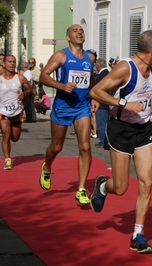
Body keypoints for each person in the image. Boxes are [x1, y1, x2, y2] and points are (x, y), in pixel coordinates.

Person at [89, 29, 152, 254]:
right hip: (121, 130)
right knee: (121, 186)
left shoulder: (151, 67)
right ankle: (103, 186)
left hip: (144, 130)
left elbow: (144, 90)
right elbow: (96, 91)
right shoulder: (125, 67)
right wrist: (123, 104)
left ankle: (137, 235)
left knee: (146, 182)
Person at [38, 24, 98, 205]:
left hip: (82, 107)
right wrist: (61, 86)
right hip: (62, 107)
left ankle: (81, 189)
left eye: (81, 30)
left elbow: (91, 80)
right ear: (68, 38)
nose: (79, 32)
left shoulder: (89, 58)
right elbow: (43, 76)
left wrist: (94, 96)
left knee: (86, 146)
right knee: (56, 147)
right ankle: (47, 166)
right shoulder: (61, 55)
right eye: (74, 31)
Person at [0, 55, 32, 169]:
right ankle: (7, 160)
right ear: (4, 64)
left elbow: (30, 90)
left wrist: (24, 93)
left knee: (15, 138)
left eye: (14, 62)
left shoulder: (20, 78)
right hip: (3, 111)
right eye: (10, 62)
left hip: (17, 112)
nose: (12, 64)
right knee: (6, 135)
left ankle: (8, 153)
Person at [93, 58, 110, 148]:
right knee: (105, 123)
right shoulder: (107, 73)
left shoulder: (102, 75)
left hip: (101, 103)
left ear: (98, 65)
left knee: (102, 123)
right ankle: (105, 140)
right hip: (106, 103)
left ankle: (103, 141)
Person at [28, 57, 40, 122]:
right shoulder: (28, 69)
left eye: (32, 62)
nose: (31, 64)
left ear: (35, 63)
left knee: (32, 104)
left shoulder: (37, 69)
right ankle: (30, 117)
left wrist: (31, 78)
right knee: (29, 104)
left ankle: (33, 118)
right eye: (29, 62)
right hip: (28, 88)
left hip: (34, 88)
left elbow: (39, 78)